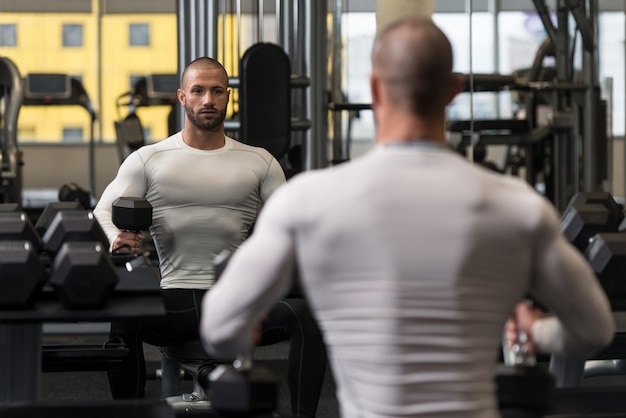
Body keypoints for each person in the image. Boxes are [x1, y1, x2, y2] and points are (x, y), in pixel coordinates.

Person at [198, 16, 615, 418]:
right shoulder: (518, 206)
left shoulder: (307, 202)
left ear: (376, 88)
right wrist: (536, 331)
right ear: (453, 91)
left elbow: (219, 329)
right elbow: (594, 330)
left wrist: (244, 329)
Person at [93, 56, 327, 417]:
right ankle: (129, 413)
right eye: (199, 91)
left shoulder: (260, 161)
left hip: (238, 300)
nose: (208, 100)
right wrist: (118, 237)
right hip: (174, 300)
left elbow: (291, 227)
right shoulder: (149, 159)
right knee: (124, 317)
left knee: (306, 317)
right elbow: (102, 210)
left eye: (217, 91)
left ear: (228, 97)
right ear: (182, 97)